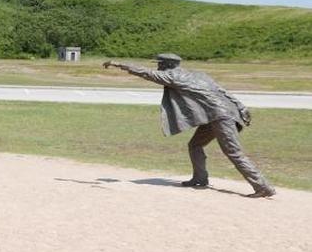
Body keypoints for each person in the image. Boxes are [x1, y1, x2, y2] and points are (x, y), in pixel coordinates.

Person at [103, 53, 275, 198]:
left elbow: (145, 73)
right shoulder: (199, 74)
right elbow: (223, 91)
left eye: (160, 64)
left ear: (166, 65)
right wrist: (241, 106)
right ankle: (200, 178)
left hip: (220, 116)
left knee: (234, 152)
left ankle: (262, 186)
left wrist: (119, 64)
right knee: (195, 145)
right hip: (215, 115)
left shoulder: (172, 76)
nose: (158, 67)